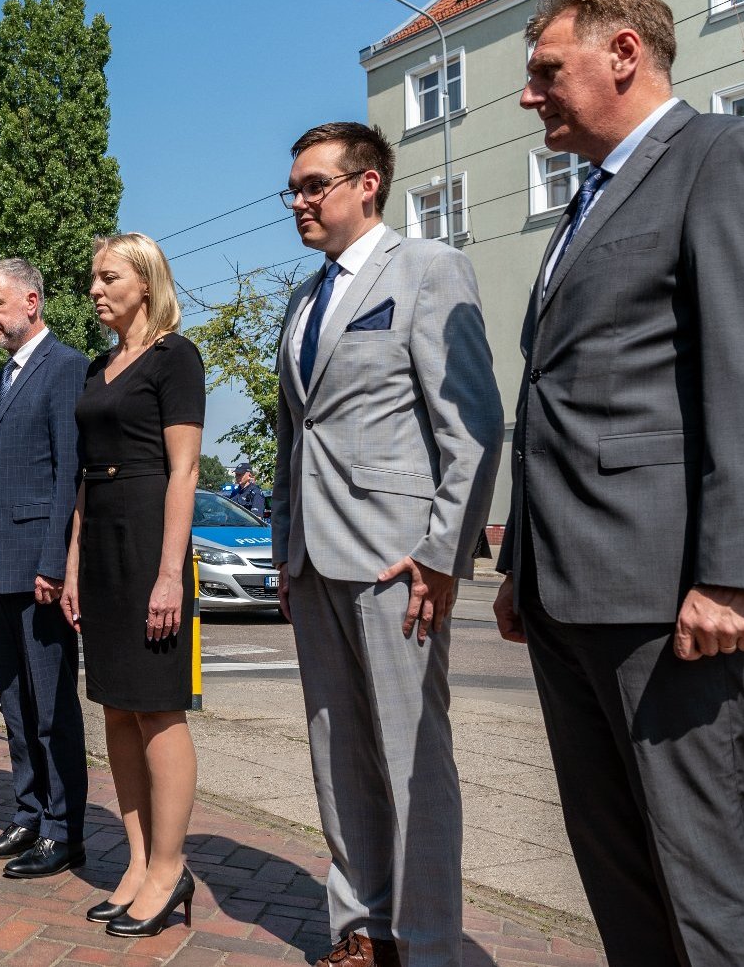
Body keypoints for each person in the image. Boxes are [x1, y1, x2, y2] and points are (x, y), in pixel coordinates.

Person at [493, 0, 744, 965]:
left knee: (705, 873)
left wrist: (733, 570)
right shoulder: (578, 209)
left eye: (545, 70)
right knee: (617, 865)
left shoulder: (724, 160)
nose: (527, 95)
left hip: (667, 598)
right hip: (565, 595)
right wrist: (519, 566)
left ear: (621, 53)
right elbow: (558, 396)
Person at [270, 121, 502, 966]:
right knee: (337, 755)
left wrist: (444, 553)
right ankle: (361, 928)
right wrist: (283, 548)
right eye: (291, 188)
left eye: (312, 185)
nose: (297, 200)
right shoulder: (303, 298)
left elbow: (472, 428)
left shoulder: (429, 271)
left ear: (367, 184)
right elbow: (292, 436)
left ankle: (428, 942)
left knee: (412, 760)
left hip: (397, 561)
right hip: (313, 563)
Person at [57, 237, 201, 936]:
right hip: (104, 541)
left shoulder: (176, 357)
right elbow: (85, 476)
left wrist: (171, 573)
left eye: (108, 276)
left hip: (151, 538)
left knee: (157, 708)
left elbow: (185, 471)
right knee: (115, 707)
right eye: (93, 277)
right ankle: (139, 861)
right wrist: (76, 562)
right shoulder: (98, 366)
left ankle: (172, 869)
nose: (95, 288)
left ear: (145, 282)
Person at [0, 257, 91, 883]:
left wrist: (54, 564)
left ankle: (64, 829)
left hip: (38, 567)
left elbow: (67, 472)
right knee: (14, 699)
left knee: (50, 705)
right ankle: (28, 811)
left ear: (31, 301)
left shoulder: (64, 368)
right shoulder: (1, 378)